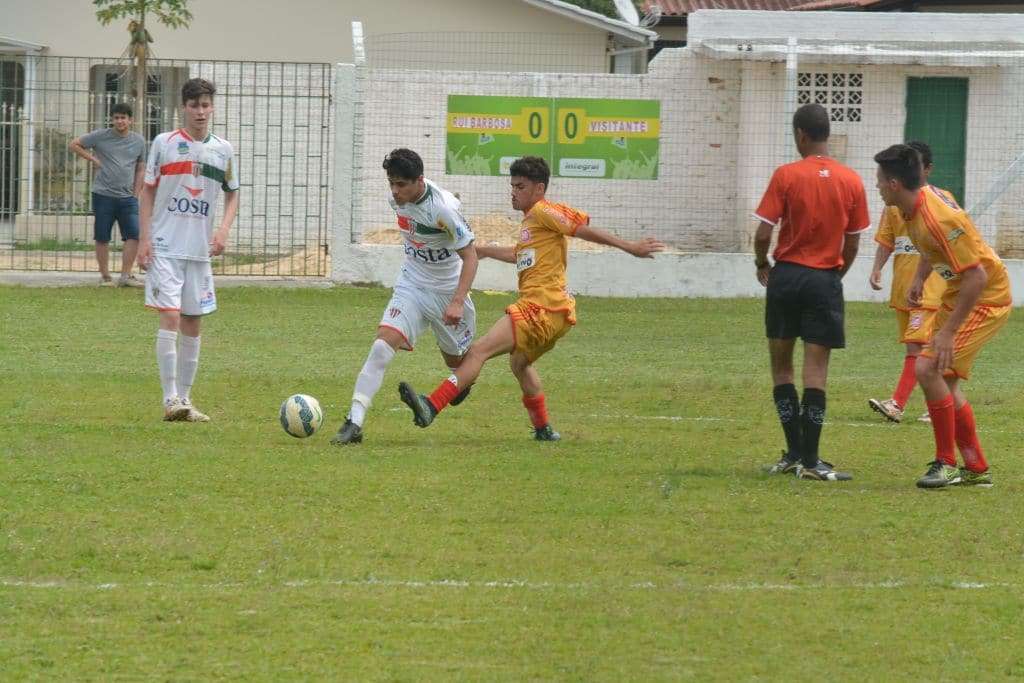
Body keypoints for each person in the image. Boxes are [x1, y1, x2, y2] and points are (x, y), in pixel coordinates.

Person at [396, 155, 665, 440]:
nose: (513, 192)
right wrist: (484, 251)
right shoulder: (532, 224)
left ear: (539, 188)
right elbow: (518, 255)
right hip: (558, 316)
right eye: (512, 186)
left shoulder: (543, 211)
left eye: (520, 186)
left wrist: (630, 247)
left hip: (541, 307)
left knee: (478, 352)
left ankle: (432, 405)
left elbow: (581, 229)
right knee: (519, 364)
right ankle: (543, 429)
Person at [874, 144, 1011, 489]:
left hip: (986, 298)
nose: (875, 186)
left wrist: (948, 332)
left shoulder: (937, 215)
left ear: (893, 184)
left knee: (926, 367)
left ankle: (946, 464)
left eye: (878, 180)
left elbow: (977, 276)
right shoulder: (914, 205)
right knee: (945, 381)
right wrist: (921, 277)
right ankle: (976, 468)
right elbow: (932, 246)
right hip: (960, 292)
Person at [330, 148, 478, 446]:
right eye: (391, 183)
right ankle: (354, 421)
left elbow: (471, 257)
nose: (394, 192)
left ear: (419, 181)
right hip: (411, 287)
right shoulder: (397, 200)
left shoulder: (443, 210)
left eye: (401, 185)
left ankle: (457, 386)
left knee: (461, 368)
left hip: (448, 293)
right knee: (382, 346)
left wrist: (458, 301)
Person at [755, 103, 870, 481]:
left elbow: (762, 233)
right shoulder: (852, 180)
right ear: (826, 134)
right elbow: (852, 243)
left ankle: (793, 452)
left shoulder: (786, 174)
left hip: (786, 277)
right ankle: (812, 461)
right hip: (824, 279)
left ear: (801, 135)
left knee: (782, 365)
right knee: (816, 371)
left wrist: (762, 264)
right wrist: (835, 276)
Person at [137, 78, 240, 422]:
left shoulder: (222, 150)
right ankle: (169, 400)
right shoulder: (163, 144)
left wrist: (223, 230)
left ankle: (185, 399)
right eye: (194, 105)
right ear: (183, 107)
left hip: (198, 252)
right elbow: (147, 191)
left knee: (193, 324)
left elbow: (232, 192)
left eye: (205, 105)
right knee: (171, 315)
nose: (200, 111)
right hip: (165, 247)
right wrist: (145, 238)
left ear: (212, 108)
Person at [867, 141, 948, 424]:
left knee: (917, 348)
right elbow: (888, 240)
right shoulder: (894, 202)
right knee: (921, 349)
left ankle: (897, 404)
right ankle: (937, 405)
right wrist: (877, 267)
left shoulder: (939, 201)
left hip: (929, 289)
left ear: (927, 169)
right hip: (904, 288)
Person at [69, 102, 146, 287]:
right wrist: (93, 158)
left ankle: (126, 276)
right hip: (103, 195)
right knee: (102, 236)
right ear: (112, 119)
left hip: (128, 198)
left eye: (123, 118)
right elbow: (74, 144)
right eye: (116, 118)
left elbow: (141, 168)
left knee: (134, 235)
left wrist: (136, 194)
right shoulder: (100, 136)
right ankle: (105, 277)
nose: (120, 121)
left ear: (130, 120)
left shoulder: (139, 141)